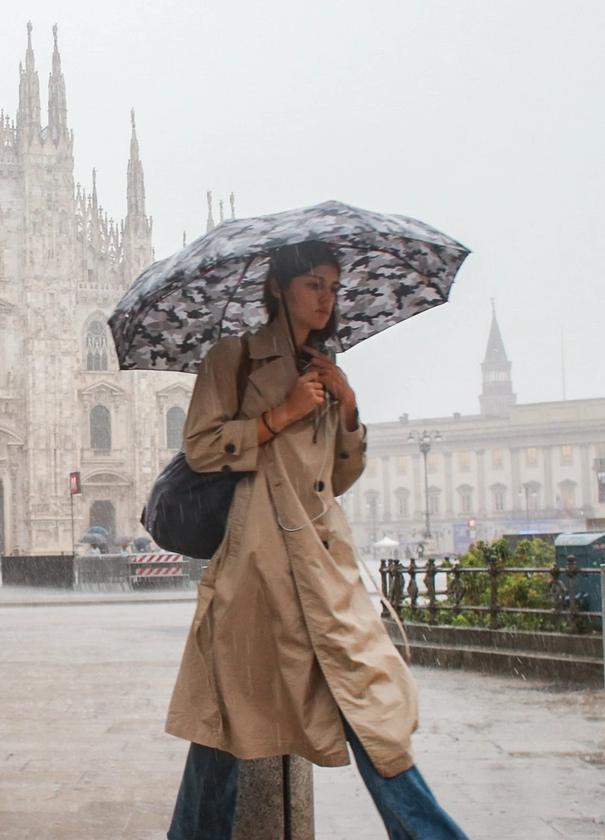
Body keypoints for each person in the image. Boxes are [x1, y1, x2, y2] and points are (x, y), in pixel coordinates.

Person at [165, 241, 468, 839]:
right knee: (225, 726)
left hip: (325, 570)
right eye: (313, 284)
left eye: (332, 286)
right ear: (279, 288)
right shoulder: (235, 359)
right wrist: (279, 415)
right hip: (258, 572)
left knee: (372, 709)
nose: (327, 297)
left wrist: (348, 411)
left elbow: (337, 477)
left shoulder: (327, 371)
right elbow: (200, 446)